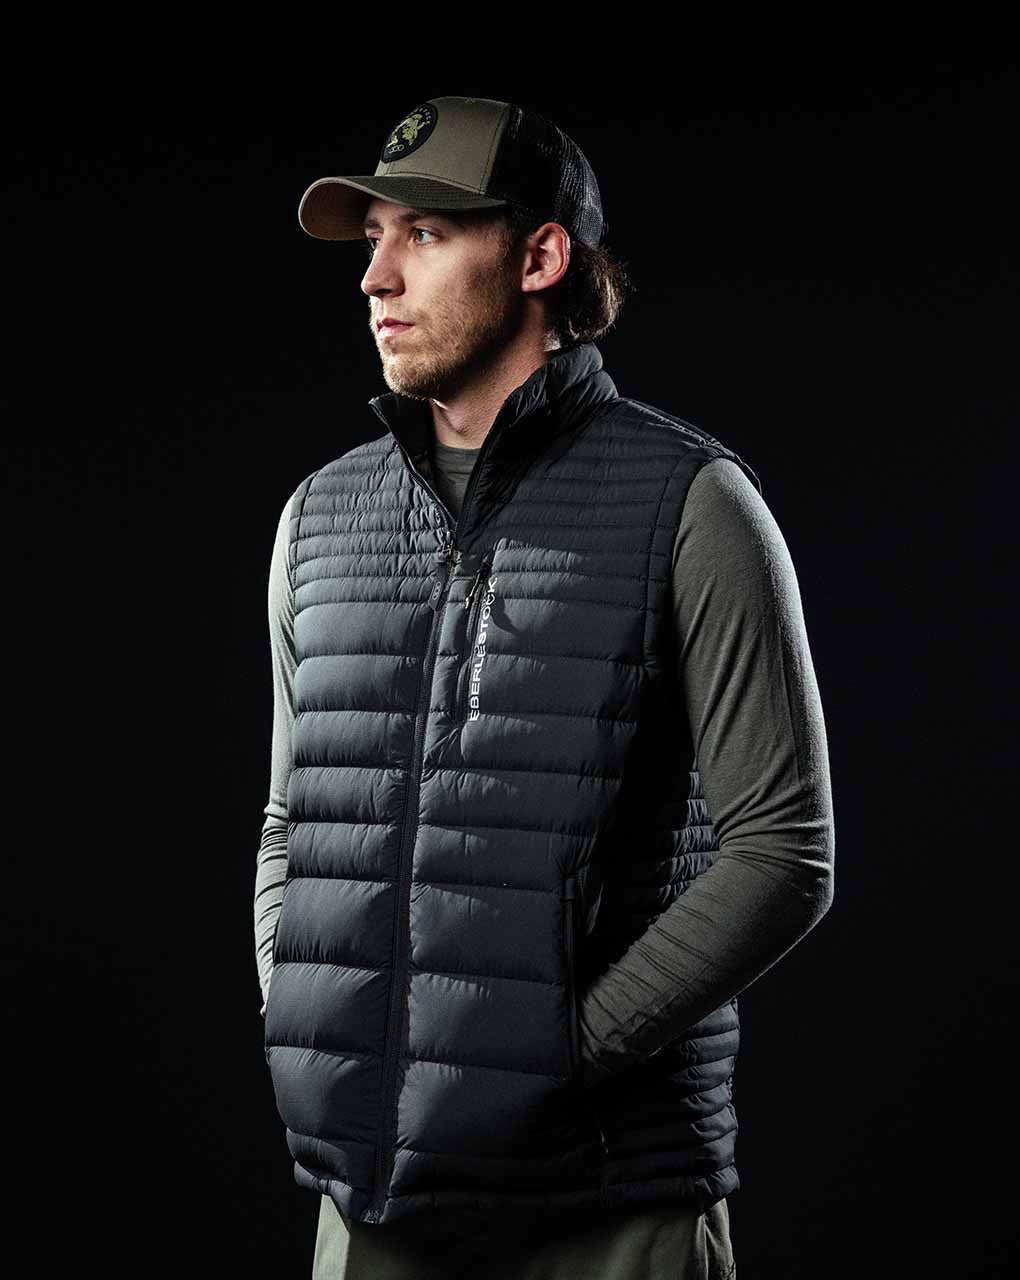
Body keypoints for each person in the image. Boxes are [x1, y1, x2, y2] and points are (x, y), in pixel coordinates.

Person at [254, 96, 835, 1280]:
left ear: (540, 256)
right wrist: (308, 1019)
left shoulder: (692, 502)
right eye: (373, 238)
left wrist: (558, 1055)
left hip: (610, 1202)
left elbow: (783, 852)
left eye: (424, 234)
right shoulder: (319, 516)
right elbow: (287, 821)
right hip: (371, 1207)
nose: (375, 277)